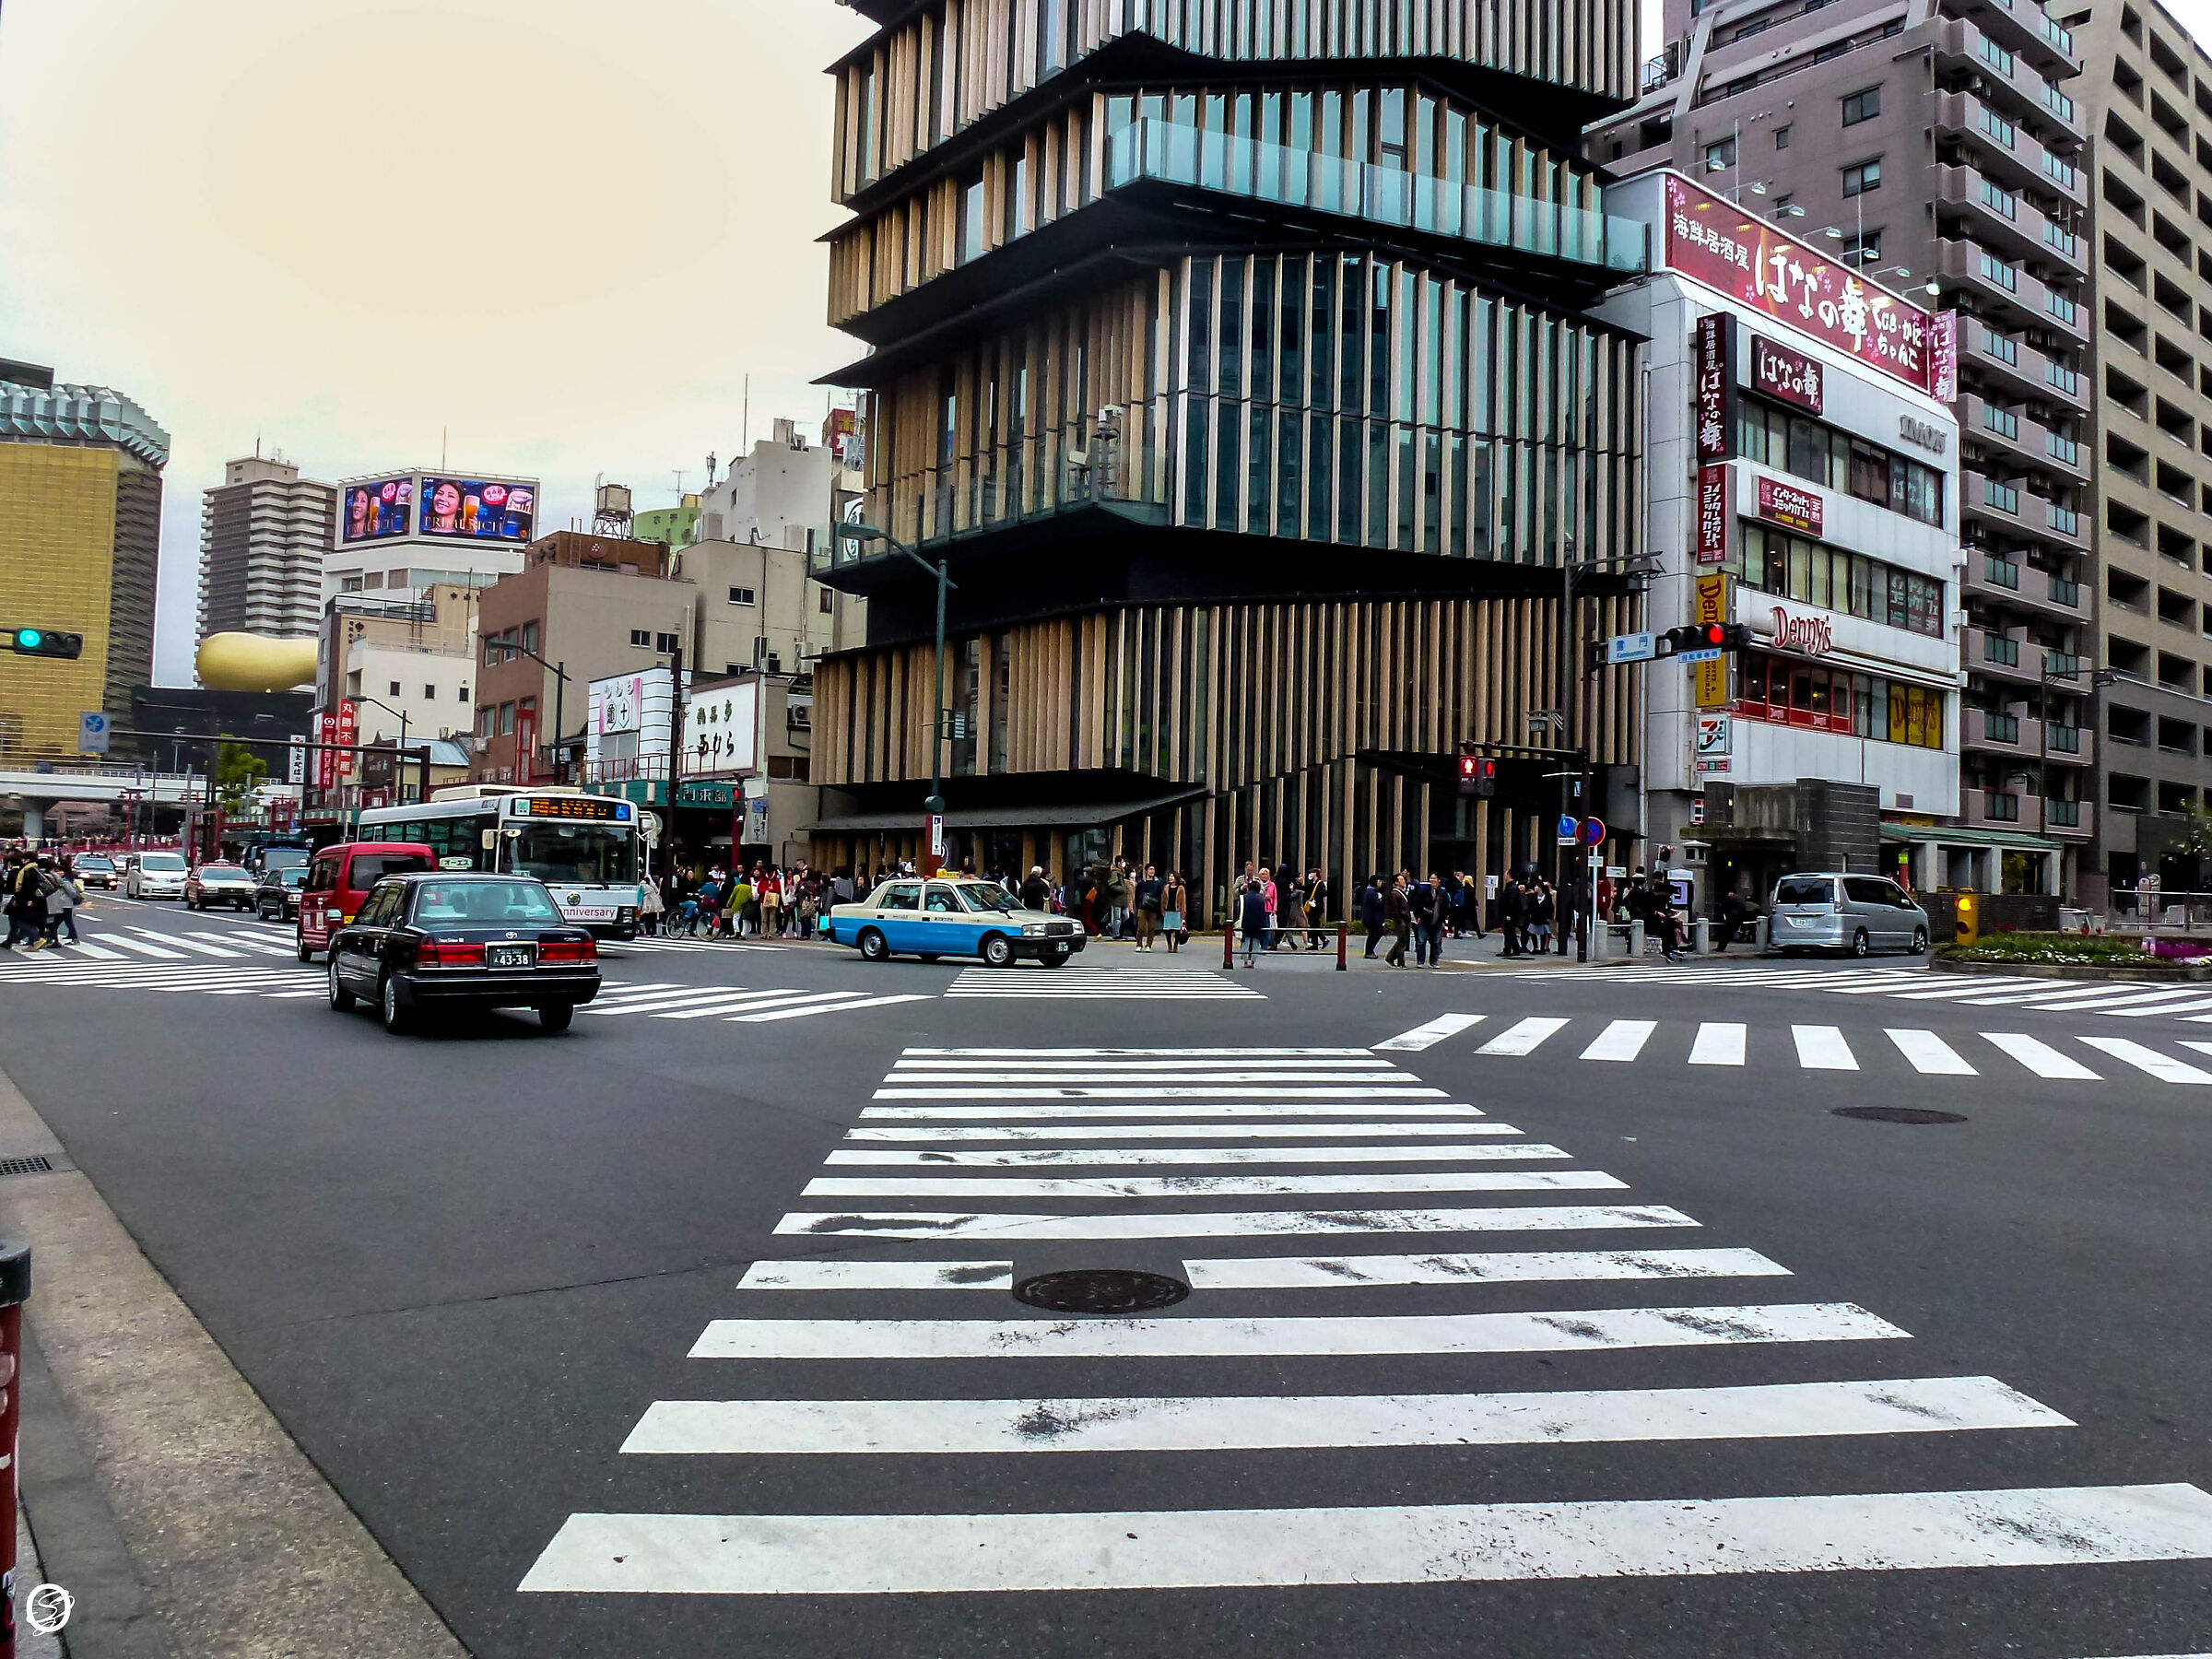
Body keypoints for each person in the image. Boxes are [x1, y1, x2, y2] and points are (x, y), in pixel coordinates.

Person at [1235, 869, 1271, 967]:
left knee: (1246, 941)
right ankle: (1253, 962)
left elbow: (1239, 910)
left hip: (1246, 923)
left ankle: (1246, 961)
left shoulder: (1243, 897)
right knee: (1256, 942)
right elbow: (1263, 912)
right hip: (1258, 923)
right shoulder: (1261, 899)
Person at [1416, 870, 1448, 968]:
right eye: (1431, 878)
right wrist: (1419, 915)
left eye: (1434, 878)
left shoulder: (1443, 892)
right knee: (1421, 941)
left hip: (1437, 921)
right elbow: (1417, 904)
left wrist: (1443, 918)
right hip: (1424, 920)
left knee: (1436, 942)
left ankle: (1434, 961)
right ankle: (1420, 961)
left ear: (1439, 880)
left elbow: (1446, 906)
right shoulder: (1424, 891)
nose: (1432, 880)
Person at [1382, 872, 1413, 967]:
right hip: (1401, 919)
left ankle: (1390, 957)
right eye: (1401, 880)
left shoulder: (1402, 893)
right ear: (1396, 882)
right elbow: (1394, 908)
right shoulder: (1394, 893)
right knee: (1402, 941)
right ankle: (1400, 961)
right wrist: (1398, 919)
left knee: (1404, 940)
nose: (1404, 881)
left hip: (1406, 919)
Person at [1134, 864, 1164, 951]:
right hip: (1142, 907)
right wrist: (1137, 905)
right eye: (1150, 869)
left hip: (1153, 908)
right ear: (1146, 871)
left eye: (1153, 870)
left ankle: (1148, 945)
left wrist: (1159, 907)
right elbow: (1137, 895)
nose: (1152, 871)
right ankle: (1139, 944)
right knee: (1141, 927)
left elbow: (1159, 895)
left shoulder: (1157, 883)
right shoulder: (1141, 882)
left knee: (1151, 928)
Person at [1497, 874, 1527, 958]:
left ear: (1509, 875)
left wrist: (1508, 914)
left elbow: (1512, 902)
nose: (1504, 876)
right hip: (1510, 913)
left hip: (1510, 914)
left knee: (1508, 931)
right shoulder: (1511, 887)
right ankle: (1515, 948)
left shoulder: (1512, 888)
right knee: (1510, 931)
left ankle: (1508, 949)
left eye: (1506, 873)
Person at [1359, 874, 1385, 959]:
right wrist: (1380, 898)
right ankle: (1369, 951)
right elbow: (1377, 903)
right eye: (1380, 881)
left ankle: (1369, 951)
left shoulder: (1370, 891)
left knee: (1373, 934)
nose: (1381, 883)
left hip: (1371, 918)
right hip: (1372, 919)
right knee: (1375, 934)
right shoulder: (1372, 892)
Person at [1160, 870, 1186, 953]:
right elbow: (1163, 900)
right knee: (1167, 929)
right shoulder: (1166, 887)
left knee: (1177, 930)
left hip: (1177, 911)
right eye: (1170, 876)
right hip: (1168, 911)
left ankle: (1175, 944)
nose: (1170, 878)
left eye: (1172, 876)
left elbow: (1183, 901)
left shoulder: (1181, 888)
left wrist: (1183, 913)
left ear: (1176, 878)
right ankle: (1169, 944)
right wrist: (1162, 910)